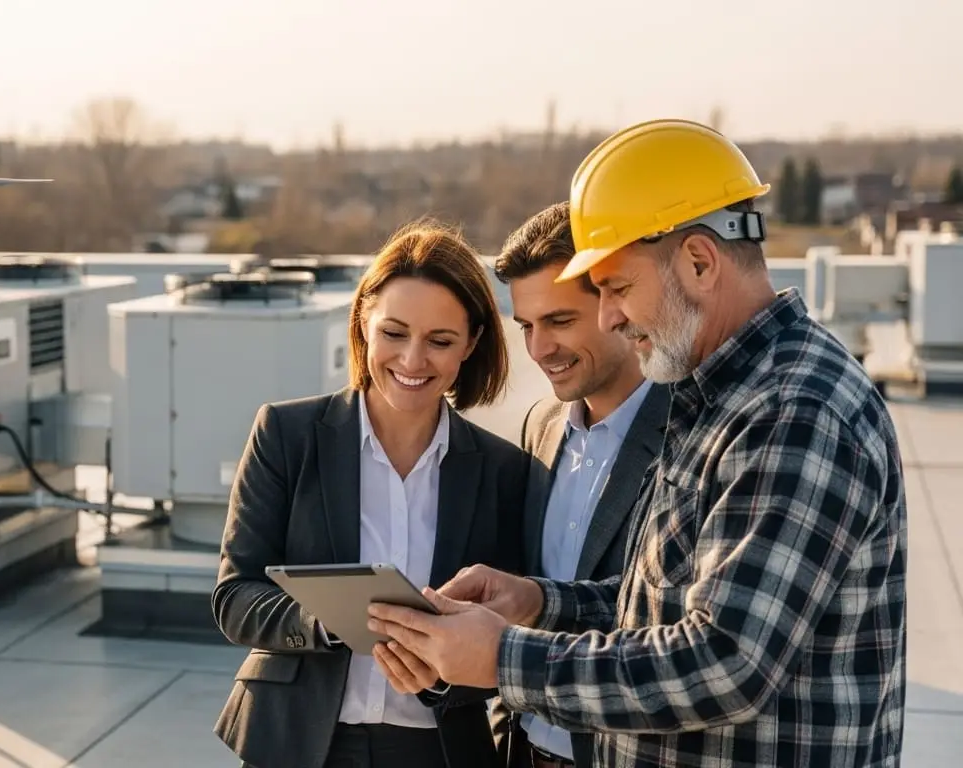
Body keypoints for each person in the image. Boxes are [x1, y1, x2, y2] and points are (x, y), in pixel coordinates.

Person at [367, 119, 907, 768]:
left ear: (701, 261)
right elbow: (667, 604)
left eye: (618, 288)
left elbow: (723, 662)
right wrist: (538, 602)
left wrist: (500, 656)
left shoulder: (797, 412)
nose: (609, 318)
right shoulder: (713, 394)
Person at [211, 219, 530, 768]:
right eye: (394, 332)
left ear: (471, 343)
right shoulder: (286, 435)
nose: (411, 360)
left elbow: (509, 636)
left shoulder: (504, 470)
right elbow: (235, 599)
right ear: (363, 322)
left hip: (437, 747)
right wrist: (328, 622)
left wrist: (440, 677)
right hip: (297, 742)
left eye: (440, 341)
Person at [488, 200, 671, 768]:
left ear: (618, 303)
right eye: (527, 327)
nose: (540, 349)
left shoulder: (693, 432)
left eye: (560, 321)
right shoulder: (539, 426)